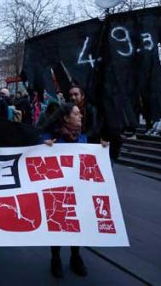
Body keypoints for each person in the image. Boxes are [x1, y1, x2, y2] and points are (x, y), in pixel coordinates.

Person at [41, 103, 109, 278]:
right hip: (58, 190)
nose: (80, 116)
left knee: (77, 223)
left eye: (80, 114)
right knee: (58, 223)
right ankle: (55, 258)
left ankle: (75, 256)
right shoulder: (51, 137)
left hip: (79, 189)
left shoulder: (83, 137)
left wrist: (101, 149)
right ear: (65, 117)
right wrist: (44, 146)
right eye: (76, 114)